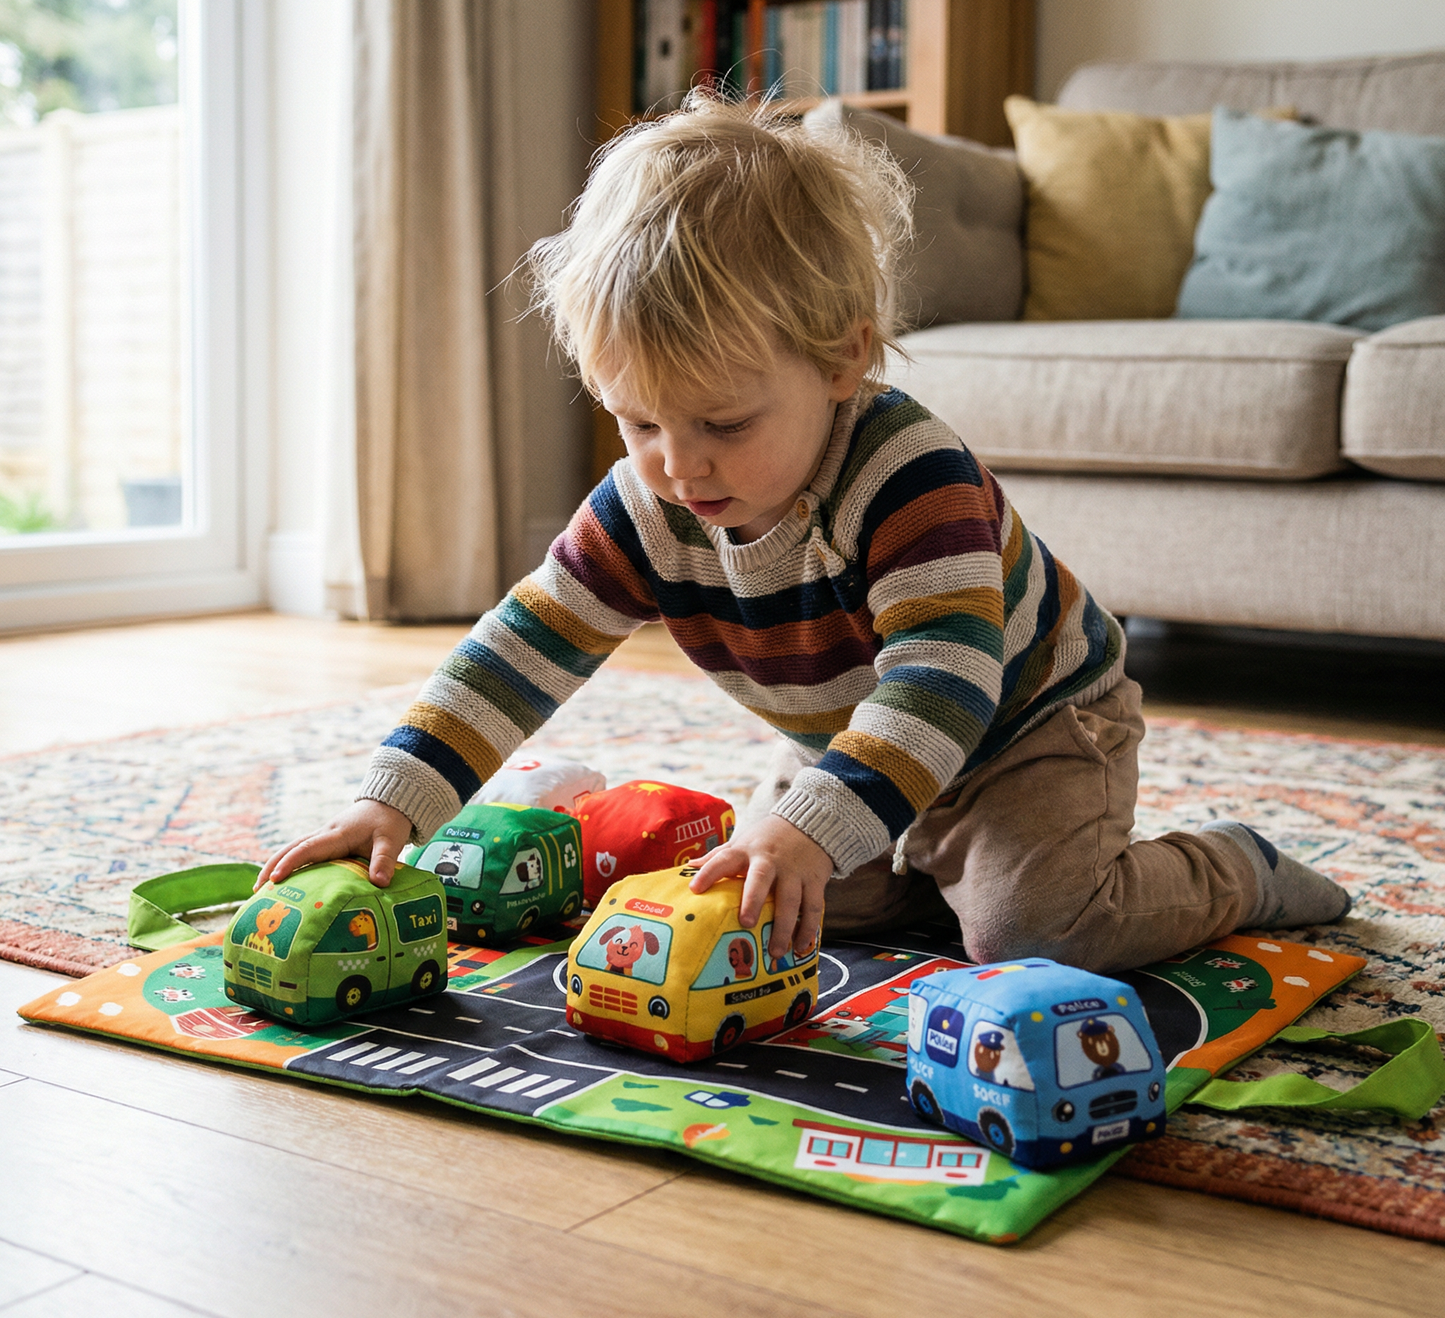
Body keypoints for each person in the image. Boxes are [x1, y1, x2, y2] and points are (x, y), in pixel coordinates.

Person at [256, 94, 1351, 973]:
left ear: (841, 362)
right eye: (637, 419)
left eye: (722, 422)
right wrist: (388, 797)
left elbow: (941, 684)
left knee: (1033, 933)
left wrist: (817, 823)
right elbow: (518, 650)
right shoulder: (649, 500)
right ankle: (923, 857)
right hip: (846, 737)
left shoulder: (908, 475)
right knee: (779, 904)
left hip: (1026, 727)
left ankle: (1233, 868)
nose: (677, 463)